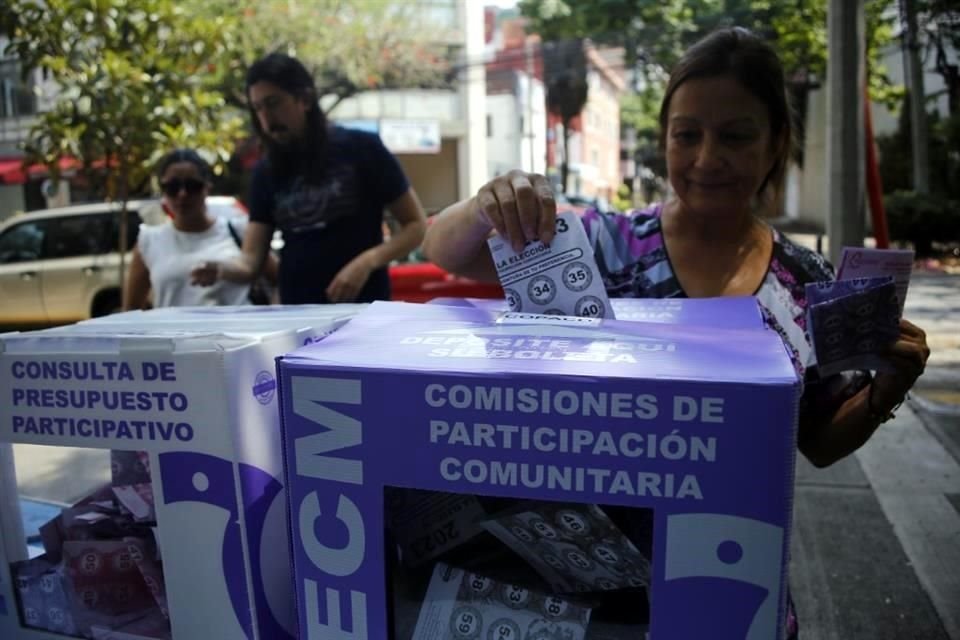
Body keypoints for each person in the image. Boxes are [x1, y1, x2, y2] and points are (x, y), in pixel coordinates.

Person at [423, 27, 930, 639]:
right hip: (593, 599)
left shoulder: (804, 280)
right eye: (687, 135)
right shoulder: (602, 246)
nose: (706, 159)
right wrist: (487, 203)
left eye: (736, 136)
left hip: (736, 590)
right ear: (663, 138)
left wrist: (884, 390)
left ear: (776, 143)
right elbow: (446, 251)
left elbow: (818, 440)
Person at [209, 52, 427, 304]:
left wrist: (367, 262)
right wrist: (221, 269)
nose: (266, 118)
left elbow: (415, 226)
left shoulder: (363, 149)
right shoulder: (265, 172)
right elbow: (251, 261)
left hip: (363, 310)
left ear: (305, 99)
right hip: (296, 313)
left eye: (273, 103)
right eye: (258, 108)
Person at [123, 149, 277, 310]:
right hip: (174, 327)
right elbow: (131, 312)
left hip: (238, 325)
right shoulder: (149, 241)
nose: (182, 194)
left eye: (192, 186)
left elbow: (280, 279)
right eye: (172, 187)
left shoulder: (238, 231)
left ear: (207, 187)